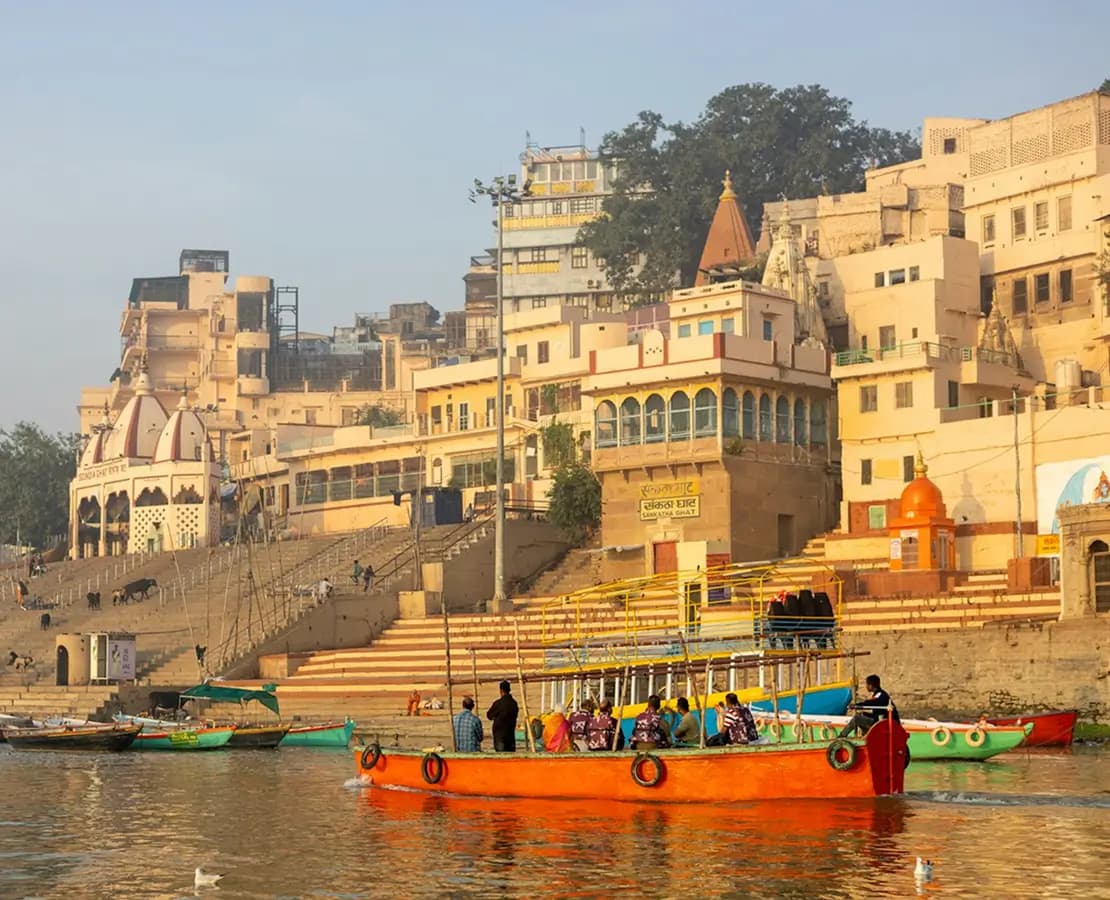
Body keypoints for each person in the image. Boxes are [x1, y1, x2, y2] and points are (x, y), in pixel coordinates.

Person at [486, 680, 520, 752]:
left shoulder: (498, 703)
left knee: (500, 758)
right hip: (510, 735)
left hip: (499, 736)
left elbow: (489, 715)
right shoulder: (514, 703)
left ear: (501, 691)